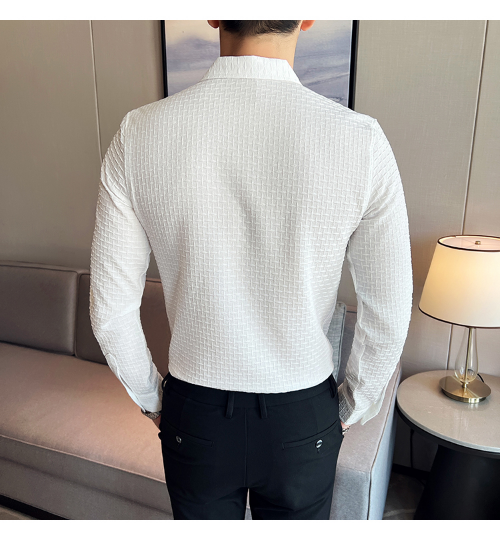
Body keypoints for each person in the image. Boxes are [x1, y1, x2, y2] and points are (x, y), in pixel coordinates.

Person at [89, 20, 413, 519]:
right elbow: (388, 310)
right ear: (306, 16)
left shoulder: (139, 134)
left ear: (214, 15)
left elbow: (109, 312)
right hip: (303, 418)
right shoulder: (361, 141)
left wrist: (155, 399)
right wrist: (352, 404)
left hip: (195, 414)